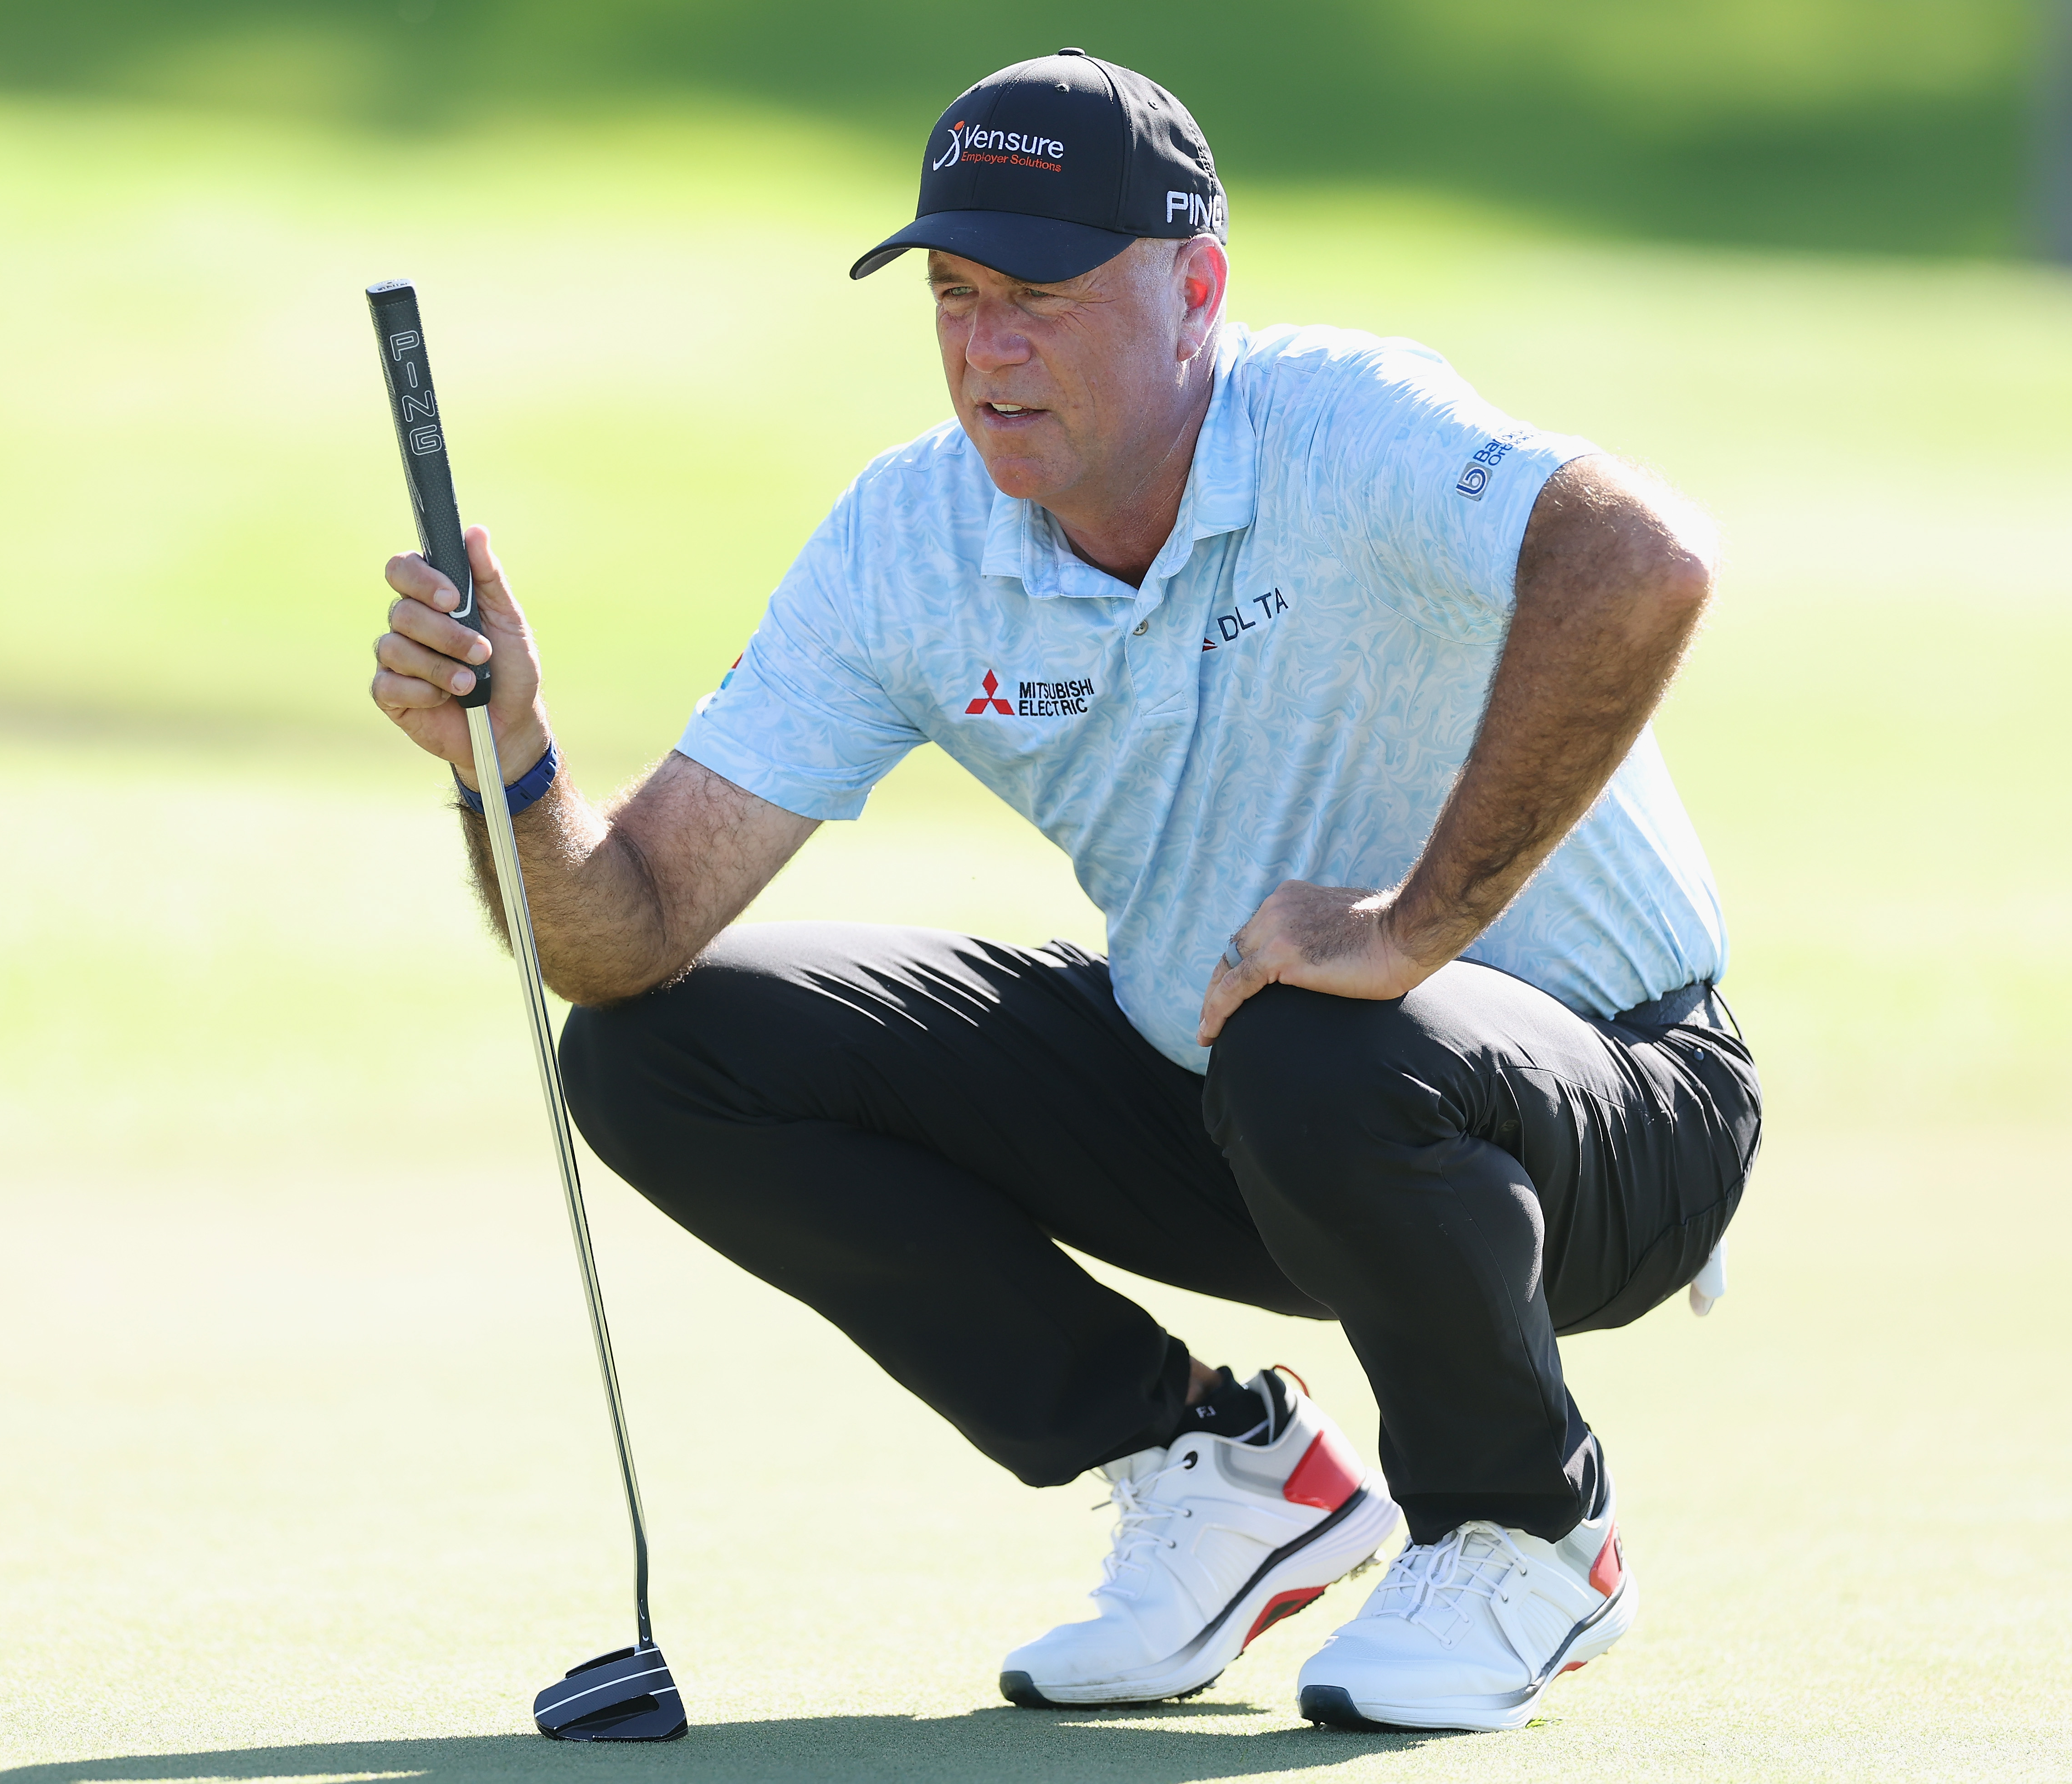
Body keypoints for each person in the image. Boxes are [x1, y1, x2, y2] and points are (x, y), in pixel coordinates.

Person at [368, 47, 1758, 1734]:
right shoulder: (912, 540)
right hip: (1243, 1098)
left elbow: (1642, 560)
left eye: (1036, 293)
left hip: (1615, 1113)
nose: (985, 348)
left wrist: (1409, 925)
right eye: (954, 295)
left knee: (1314, 1036)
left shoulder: (1339, 423)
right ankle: (1225, 1475)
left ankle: (1533, 1529)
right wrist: (509, 761)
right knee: (664, 1048)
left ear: (1199, 292)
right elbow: (623, 928)